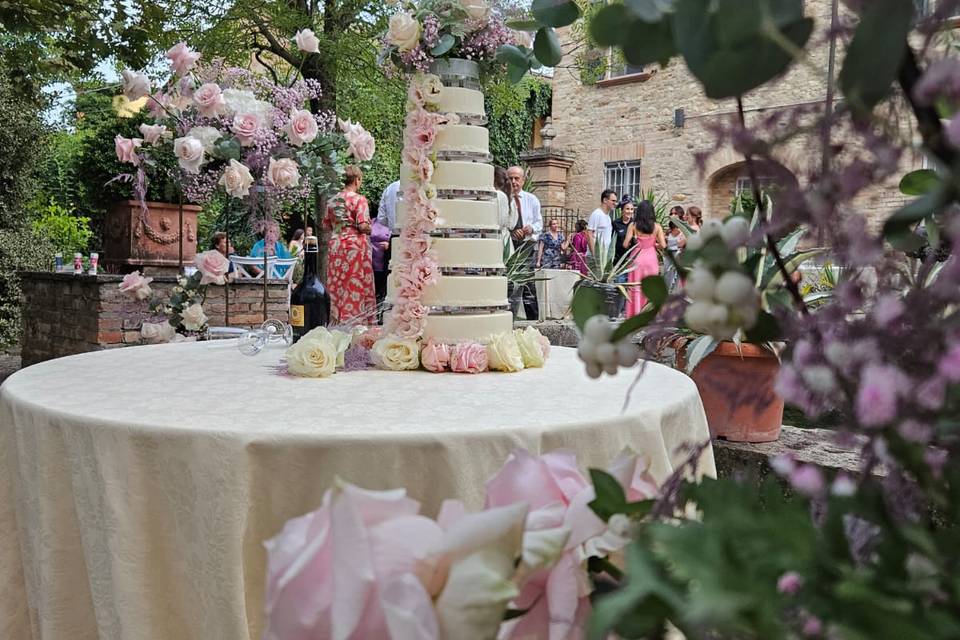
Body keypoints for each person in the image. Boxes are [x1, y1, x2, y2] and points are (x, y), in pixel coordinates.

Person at [323, 165, 376, 324]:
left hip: (337, 244)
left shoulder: (332, 200)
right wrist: (371, 229)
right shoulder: (359, 200)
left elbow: (325, 225)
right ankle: (356, 322)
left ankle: (336, 320)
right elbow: (362, 225)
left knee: (337, 283)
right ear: (357, 180)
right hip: (355, 246)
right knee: (355, 283)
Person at [507, 165, 542, 319]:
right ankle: (509, 316)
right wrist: (511, 232)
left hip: (527, 246)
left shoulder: (531, 199)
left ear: (523, 180)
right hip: (509, 246)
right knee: (510, 283)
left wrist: (530, 229)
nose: (513, 182)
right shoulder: (503, 198)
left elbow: (539, 223)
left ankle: (533, 320)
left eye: (516, 178)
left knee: (527, 283)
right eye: (510, 178)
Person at [624, 200, 666, 318]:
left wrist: (635, 239)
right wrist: (653, 244)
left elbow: (625, 244)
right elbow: (663, 245)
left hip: (636, 258)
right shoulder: (657, 227)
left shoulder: (633, 225)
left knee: (635, 287)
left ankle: (634, 316)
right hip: (651, 259)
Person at [611, 198, 636, 317]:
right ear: (622, 210)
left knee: (631, 287)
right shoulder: (615, 224)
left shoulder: (636, 224)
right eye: (627, 209)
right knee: (620, 287)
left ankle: (628, 312)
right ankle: (618, 312)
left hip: (632, 261)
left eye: (631, 209)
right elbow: (611, 242)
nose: (629, 211)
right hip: (619, 261)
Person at [370, 217, 392, 324]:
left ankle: (381, 316)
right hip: (371, 261)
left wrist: (389, 245)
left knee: (383, 289)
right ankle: (373, 315)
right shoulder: (373, 221)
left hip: (385, 261)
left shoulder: (392, 223)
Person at [587, 189, 618, 256]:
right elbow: (589, 234)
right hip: (596, 257)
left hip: (604, 256)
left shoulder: (608, 217)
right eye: (613, 201)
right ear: (605, 200)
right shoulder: (597, 214)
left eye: (616, 201)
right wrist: (594, 255)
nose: (615, 203)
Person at [664, 219, 686, 292]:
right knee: (668, 274)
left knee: (676, 276)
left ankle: (676, 293)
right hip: (668, 256)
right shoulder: (668, 232)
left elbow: (682, 245)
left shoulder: (682, 233)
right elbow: (664, 244)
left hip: (677, 255)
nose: (676, 229)